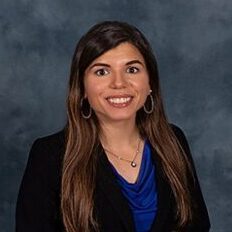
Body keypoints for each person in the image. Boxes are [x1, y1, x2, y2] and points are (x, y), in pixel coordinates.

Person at [16, 21, 210, 232]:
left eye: (132, 69)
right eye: (102, 72)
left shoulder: (173, 140)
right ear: (82, 88)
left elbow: (197, 225)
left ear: (150, 83)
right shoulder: (49, 156)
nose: (119, 83)